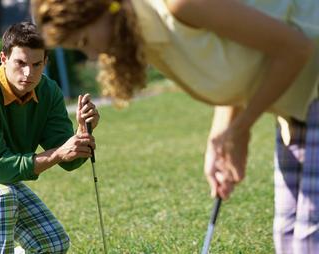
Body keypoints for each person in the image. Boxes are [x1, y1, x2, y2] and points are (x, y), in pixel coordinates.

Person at [32, 0, 319, 253]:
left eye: (84, 42)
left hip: (311, 83)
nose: (93, 56)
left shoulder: (179, 5)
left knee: (309, 241)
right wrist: (220, 137)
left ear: (102, 9)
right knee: (288, 238)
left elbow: (295, 46)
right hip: (299, 105)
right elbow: (237, 62)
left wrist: (241, 129)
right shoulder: (150, 41)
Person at [0, 22, 99, 253]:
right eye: (20, 63)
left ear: (45, 62)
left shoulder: (48, 91)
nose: (28, 73)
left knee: (51, 244)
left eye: (36, 64)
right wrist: (59, 153)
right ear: (3, 58)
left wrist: (82, 133)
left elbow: (69, 160)